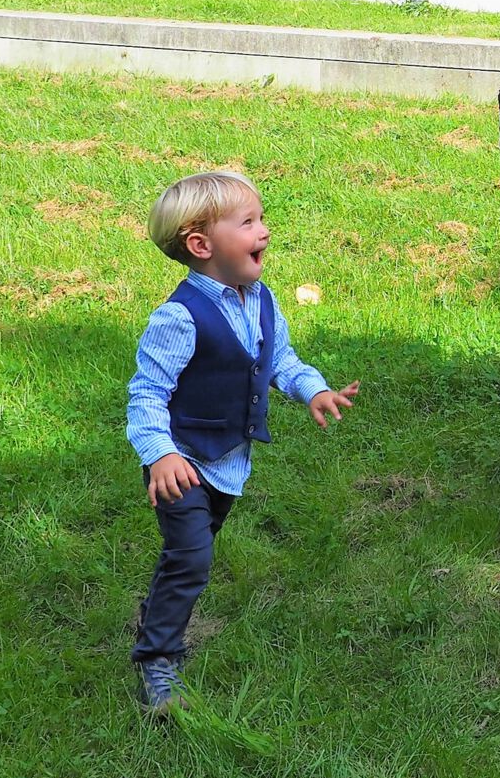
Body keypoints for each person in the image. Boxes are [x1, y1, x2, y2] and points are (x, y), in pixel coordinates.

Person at [127, 171, 360, 715]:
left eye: (262, 219)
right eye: (249, 222)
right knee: (193, 557)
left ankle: (157, 611)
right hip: (181, 463)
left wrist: (313, 391)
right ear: (201, 245)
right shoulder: (179, 318)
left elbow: (280, 361)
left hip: (228, 462)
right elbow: (146, 394)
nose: (265, 232)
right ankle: (158, 657)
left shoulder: (262, 300)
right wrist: (159, 454)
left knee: (186, 558)